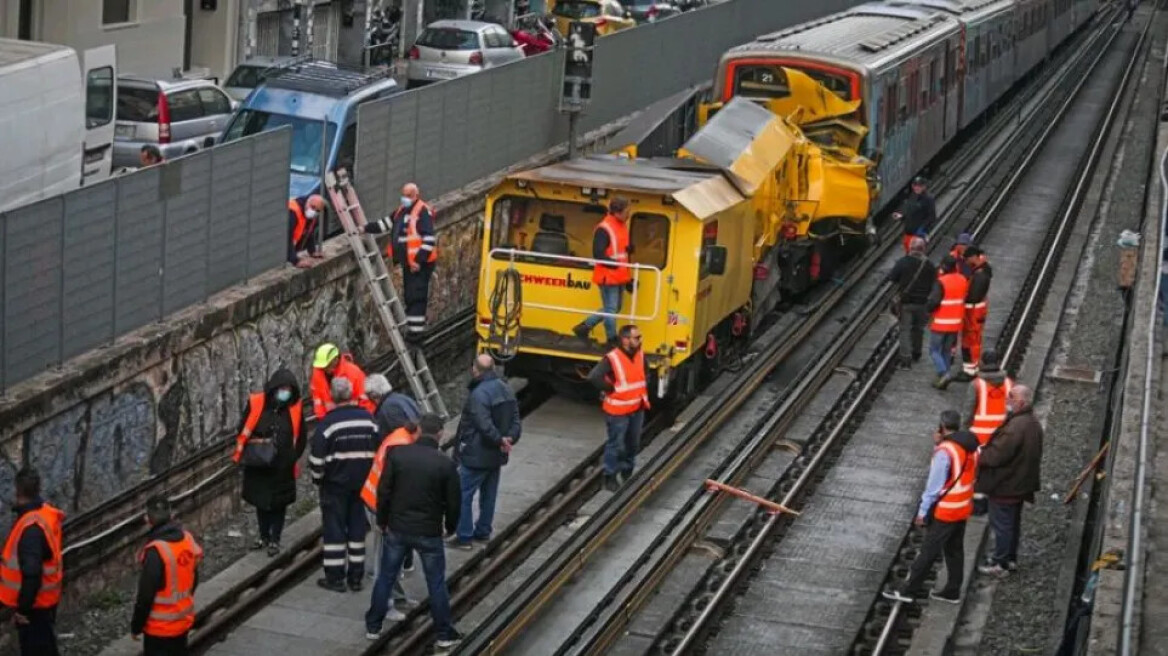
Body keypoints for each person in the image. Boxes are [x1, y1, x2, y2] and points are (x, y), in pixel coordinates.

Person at [366, 414, 463, 649]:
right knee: (436, 583)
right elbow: (454, 503)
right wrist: (450, 528)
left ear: (418, 430)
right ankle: (443, 633)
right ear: (439, 433)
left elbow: (385, 491)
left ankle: (373, 626)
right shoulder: (445, 464)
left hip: (397, 528)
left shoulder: (397, 455)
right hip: (429, 532)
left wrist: (382, 520)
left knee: (386, 577)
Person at [883, 410, 979, 604]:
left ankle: (908, 591)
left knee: (928, 550)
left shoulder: (945, 451)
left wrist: (922, 512)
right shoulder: (971, 446)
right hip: (963, 506)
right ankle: (953, 590)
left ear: (942, 427)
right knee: (954, 550)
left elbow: (933, 487)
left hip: (947, 509)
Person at [310, 377, 379, 592]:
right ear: (352, 394)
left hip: (335, 486)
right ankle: (356, 578)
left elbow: (316, 461)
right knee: (358, 530)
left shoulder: (327, 425)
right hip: (362, 485)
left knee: (334, 531)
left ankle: (335, 578)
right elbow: (380, 453)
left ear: (332, 396)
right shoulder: (369, 421)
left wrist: (319, 480)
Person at [231, 368, 306, 556]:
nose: (285, 393)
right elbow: (243, 428)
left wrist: (291, 457)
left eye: (288, 389)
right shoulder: (257, 403)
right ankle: (264, 536)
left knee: (279, 504)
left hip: (282, 467)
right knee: (261, 503)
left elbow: (301, 436)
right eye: (282, 388)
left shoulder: (295, 408)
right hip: (259, 465)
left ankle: (275, 538)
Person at [450, 354, 522, 550]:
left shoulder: (478, 394)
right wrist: (509, 439)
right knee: (488, 494)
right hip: (497, 455)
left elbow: (483, 424)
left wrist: (500, 440)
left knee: (463, 494)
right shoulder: (506, 389)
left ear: (475, 369)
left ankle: (464, 536)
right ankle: (483, 531)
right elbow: (516, 420)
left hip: (476, 454)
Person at [977, 384, 1043, 576]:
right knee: (1012, 524)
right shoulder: (1032, 423)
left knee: (1002, 525)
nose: (1007, 399)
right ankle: (1009, 559)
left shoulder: (1015, 427)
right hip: (1020, 484)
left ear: (1021, 402)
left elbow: (996, 456)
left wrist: (979, 454)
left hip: (1006, 486)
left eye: (1011, 397)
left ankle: (1000, 564)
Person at [0, 468, 63, 656]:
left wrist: (23, 611)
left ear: (17, 491)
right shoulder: (46, 514)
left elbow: (32, 573)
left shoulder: (30, 530)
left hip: (35, 609)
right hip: (47, 601)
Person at [364, 183, 438, 341]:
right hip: (409, 264)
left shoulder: (422, 211)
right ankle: (413, 330)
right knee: (410, 296)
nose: (404, 198)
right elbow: (385, 224)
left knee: (416, 297)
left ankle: (416, 335)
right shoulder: (401, 211)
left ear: (415, 195)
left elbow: (429, 238)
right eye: (403, 194)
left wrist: (419, 260)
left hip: (420, 265)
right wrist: (365, 228)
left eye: (408, 195)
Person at [362, 419, 420, 616]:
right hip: (379, 507)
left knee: (390, 557)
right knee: (385, 561)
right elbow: (393, 487)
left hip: (375, 501)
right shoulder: (400, 447)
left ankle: (398, 598)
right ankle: (384, 606)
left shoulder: (400, 436)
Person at [131, 496, 203, 655]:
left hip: (159, 630)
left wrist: (136, 627)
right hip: (182, 622)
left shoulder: (155, 551)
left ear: (147, 520)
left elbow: (145, 597)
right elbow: (194, 577)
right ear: (171, 516)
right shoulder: (187, 539)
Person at [365, 374, 421, 576]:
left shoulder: (387, 412)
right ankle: (406, 561)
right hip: (412, 465)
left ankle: (401, 563)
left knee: (396, 519)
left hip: (400, 471)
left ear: (374, 395)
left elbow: (395, 442)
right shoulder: (403, 399)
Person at [588, 324, 651, 491]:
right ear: (625, 339)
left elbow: (646, 373)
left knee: (632, 443)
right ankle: (610, 476)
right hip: (618, 411)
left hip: (637, 408)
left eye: (639, 337)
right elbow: (594, 377)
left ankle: (627, 471)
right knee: (616, 444)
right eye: (636, 337)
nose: (639, 340)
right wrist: (611, 389)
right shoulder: (612, 358)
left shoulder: (640, 355)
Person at [574, 196, 633, 346]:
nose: (629, 214)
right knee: (611, 310)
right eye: (627, 211)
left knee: (613, 308)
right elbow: (598, 253)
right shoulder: (604, 228)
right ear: (617, 212)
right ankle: (612, 339)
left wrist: (628, 251)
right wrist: (614, 265)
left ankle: (585, 327)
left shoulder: (621, 225)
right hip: (608, 276)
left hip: (619, 275)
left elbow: (619, 251)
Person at [884, 236, 937, 369]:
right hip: (923, 303)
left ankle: (905, 360)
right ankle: (917, 353)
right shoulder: (930, 265)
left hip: (906, 303)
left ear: (910, 248)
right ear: (924, 249)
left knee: (905, 330)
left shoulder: (903, 262)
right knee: (918, 329)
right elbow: (934, 283)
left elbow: (892, 277)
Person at [929, 255, 968, 389]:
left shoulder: (941, 281)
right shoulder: (963, 279)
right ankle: (942, 380)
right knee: (946, 351)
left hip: (941, 322)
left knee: (934, 350)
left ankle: (944, 373)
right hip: (956, 323)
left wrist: (927, 309)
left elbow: (934, 301)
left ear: (944, 266)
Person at [956, 246, 993, 381]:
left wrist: (962, 297)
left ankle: (970, 371)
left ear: (974, 257)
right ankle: (971, 368)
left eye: (967, 259)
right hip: (976, 311)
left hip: (973, 312)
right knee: (973, 340)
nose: (965, 262)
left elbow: (974, 295)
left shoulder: (980, 275)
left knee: (971, 341)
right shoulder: (983, 270)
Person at [310, 343, 375, 416]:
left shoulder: (354, 373)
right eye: (322, 366)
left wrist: (363, 419)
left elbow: (366, 401)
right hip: (332, 420)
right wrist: (325, 420)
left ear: (336, 359)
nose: (324, 368)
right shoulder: (317, 375)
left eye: (326, 365)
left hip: (355, 416)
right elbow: (318, 403)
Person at [893, 176, 936, 253]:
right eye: (915, 185)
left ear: (924, 186)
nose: (917, 188)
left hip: (918, 235)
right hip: (908, 233)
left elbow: (932, 217)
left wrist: (922, 229)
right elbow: (910, 212)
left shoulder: (928, 199)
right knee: (908, 254)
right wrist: (901, 216)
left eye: (919, 186)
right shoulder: (912, 197)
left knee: (916, 255)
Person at [288, 194, 326, 268]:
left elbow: (309, 232)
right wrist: (295, 261)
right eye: (313, 207)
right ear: (307, 202)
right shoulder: (293, 211)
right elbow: (287, 238)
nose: (314, 211)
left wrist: (312, 251)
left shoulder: (310, 214)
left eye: (317, 210)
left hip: (292, 248)